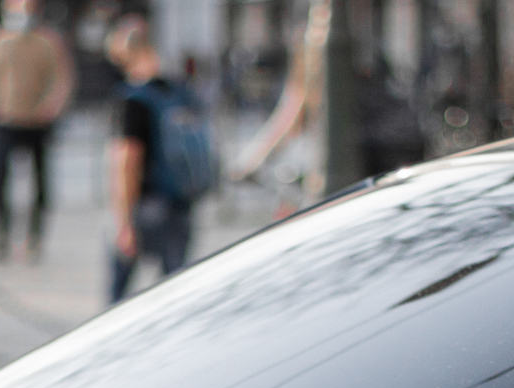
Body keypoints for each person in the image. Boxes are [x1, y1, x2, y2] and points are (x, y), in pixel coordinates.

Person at [228, 0, 422, 208]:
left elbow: (291, 115)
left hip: (338, 174)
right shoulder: (359, 48)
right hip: (373, 169)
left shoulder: (321, 45)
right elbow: (292, 115)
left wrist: (253, 164)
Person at [0, 0, 75, 262]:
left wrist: (53, 106)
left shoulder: (49, 40)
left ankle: (34, 238)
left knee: (40, 183)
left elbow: (63, 78)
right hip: (5, 120)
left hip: (38, 123)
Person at [106, 16, 193, 302]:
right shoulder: (176, 91)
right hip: (180, 205)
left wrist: (124, 223)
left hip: (145, 207)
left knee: (116, 298)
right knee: (175, 294)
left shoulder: (133, 99)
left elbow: (127, 161)